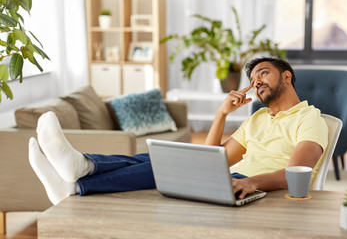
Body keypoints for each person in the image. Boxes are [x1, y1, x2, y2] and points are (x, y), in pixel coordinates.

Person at [29, 57, 328, 205]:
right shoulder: (258, 119)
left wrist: (251, 182)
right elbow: (213, 158)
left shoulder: (310, 118)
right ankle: (79, 175)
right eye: (253, 77)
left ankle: (81, 174)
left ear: (287, 77)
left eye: (264, 73)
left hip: (258, 189)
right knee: (154, 160)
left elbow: (296, 173)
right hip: (234, 180)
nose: (257, 80)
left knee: (169, 167)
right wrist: (221, 114)